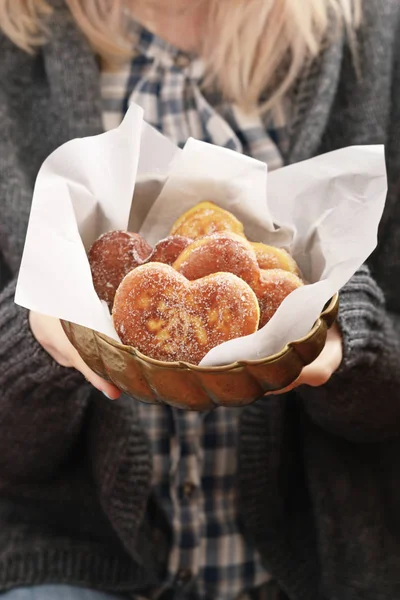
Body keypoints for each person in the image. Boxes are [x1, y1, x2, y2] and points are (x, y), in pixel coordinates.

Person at [0, 0, 399, 598]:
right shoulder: (14, 52)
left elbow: (384, 413)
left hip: (318, 560)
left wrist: (351, 339)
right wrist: (34, 329)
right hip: (73, 558)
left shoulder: (374, 36)